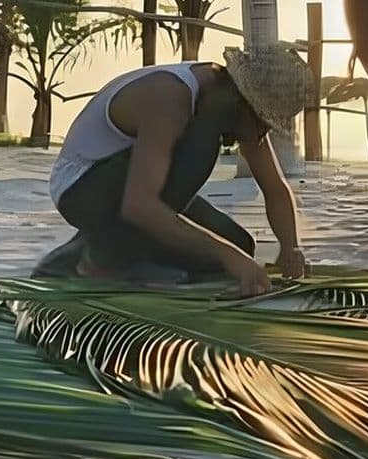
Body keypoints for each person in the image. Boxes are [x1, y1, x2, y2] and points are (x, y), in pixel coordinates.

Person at [34, 45, 311, 296]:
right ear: (241, 100)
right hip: (83, 186)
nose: (261, 134)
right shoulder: (171, 97)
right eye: (261, 122)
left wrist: (290, 247)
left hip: (135, 190)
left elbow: (274, 188)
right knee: (201, 147)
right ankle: (88, 260)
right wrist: (229, 257)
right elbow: (140, 207)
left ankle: (131, 252)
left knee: (239, 245)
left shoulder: (227, 105)